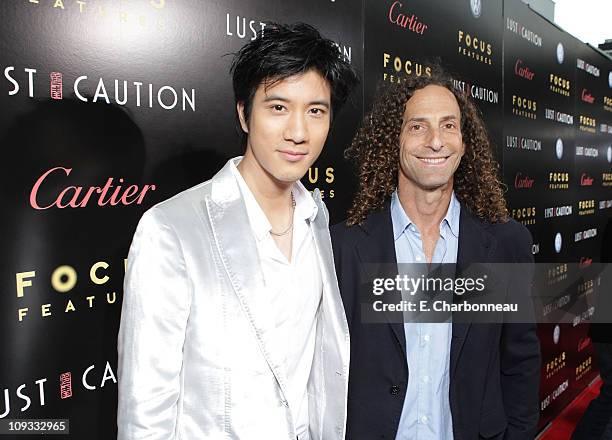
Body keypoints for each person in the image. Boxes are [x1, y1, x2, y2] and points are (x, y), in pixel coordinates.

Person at [117, 22, 358, 440]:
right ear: (244, 114)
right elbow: (145, 414)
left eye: (315, 111)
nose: (298, 132)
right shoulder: (171, 230)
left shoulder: (315, 215)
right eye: (278, 107)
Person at [331, 67, 541, 439]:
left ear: (464, 141)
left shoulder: (504, 245)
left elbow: (519, 362)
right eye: (417, 126)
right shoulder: (345, 247)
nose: (435, 141)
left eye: (448, 126)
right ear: (392, 140)